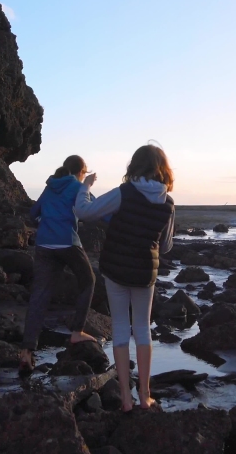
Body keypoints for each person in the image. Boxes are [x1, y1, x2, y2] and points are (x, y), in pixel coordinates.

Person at [75, 144, 175, 412]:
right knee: (142, 329)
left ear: (135, 166)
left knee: (120, 327)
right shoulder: (167, 202)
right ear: (162, 169)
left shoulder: (124, 193)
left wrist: (84, 188)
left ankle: (125, 398)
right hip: (145, 272)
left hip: (116, 269)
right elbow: (165, 246)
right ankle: (145, 395)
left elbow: (85, 212)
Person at [20, 155, 101, 373]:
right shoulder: (77, 186)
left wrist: (46, 223)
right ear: (81, 172)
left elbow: (33, 213)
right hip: (67, 242)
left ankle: (27, 350)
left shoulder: (50, 187)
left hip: (44, 244)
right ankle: (77, 331)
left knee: (40, 295)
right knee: (88, 281)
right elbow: (94, 209)